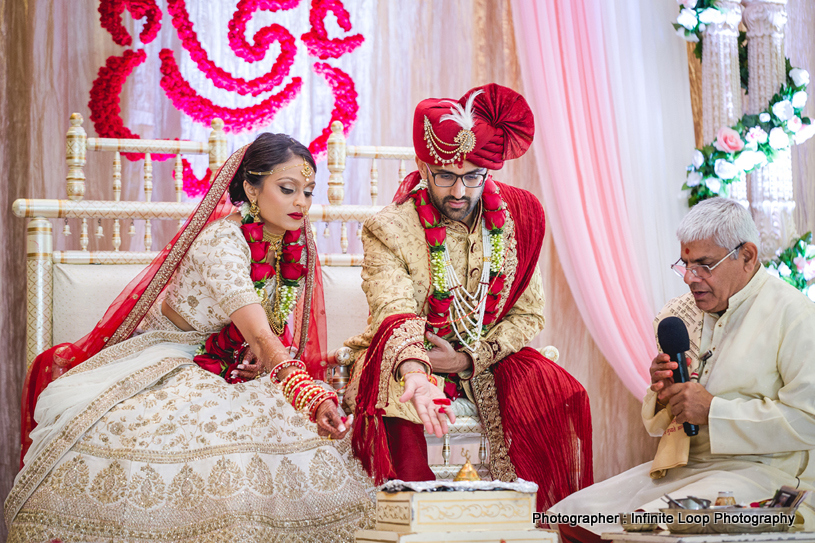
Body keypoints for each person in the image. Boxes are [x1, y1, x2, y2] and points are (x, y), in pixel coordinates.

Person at [6, 134, 374, 542]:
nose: (301, 203)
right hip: (176, 359)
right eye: (287, 189)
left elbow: (267, 329)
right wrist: (305, 390)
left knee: (304, 441)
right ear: (251, 188)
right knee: (216, 444)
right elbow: (258, 330)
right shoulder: (221, 241)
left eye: (307, 192)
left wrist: (254, 354)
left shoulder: (291, 245)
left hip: (245, 369)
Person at [344, 83, 593, 511]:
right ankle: (418, 515)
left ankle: (535, 521)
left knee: (560, 389)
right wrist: (418, 373)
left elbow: (529, 314)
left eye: (473, 178)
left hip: (486, 357)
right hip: (409, 353)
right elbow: (394, 308)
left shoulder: (517, 219)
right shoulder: (389, 228)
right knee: (395, 389)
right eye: (445, 177)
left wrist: (467, 359)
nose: (459, 192)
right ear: (423, 168)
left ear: (489, 173)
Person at [550, 198, 815, 542]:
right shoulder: (684, 315)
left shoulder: (794, 315)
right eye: (686, 264)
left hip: (764, 475)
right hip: (684, 470)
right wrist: (664, 395)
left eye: (704, 265)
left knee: (647, 527)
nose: (690, 278)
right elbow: (664, 424)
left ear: (747, 257)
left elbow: (808, 421)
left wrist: (713, 411)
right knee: (573, 517)